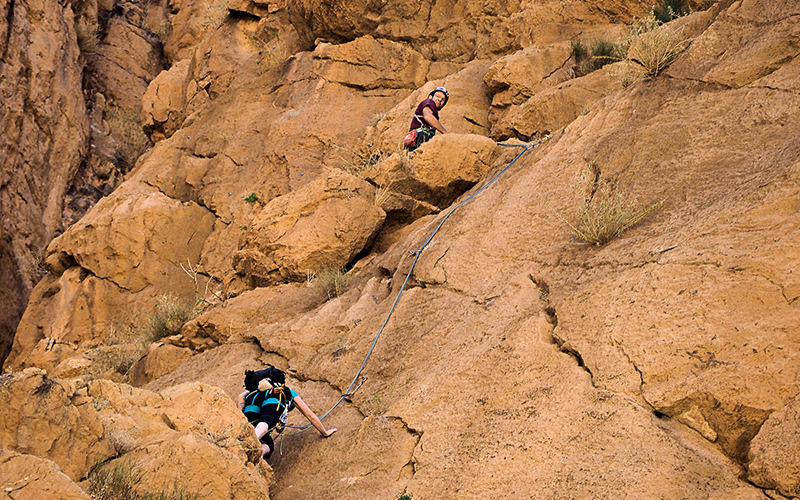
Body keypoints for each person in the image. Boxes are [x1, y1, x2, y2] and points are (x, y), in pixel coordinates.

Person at [238, 366, 337, 459]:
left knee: (266, 440)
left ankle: (251, 446)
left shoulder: (252, 393)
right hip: (273, 399)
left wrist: (248, 394)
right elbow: (310, 415)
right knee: (267, 421)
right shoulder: (285, 391)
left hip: (251, 405)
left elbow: (240, 397)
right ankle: (253, 442)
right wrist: (325, 432)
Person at [404, 86, 449, 152]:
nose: (440, 100)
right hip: (420, 137)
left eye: (443, 99)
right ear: (431, 96)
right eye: (437, 96)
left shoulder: (433, 110)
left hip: (415, 141)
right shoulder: (429, 102)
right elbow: (428, 116)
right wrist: (446, 133)